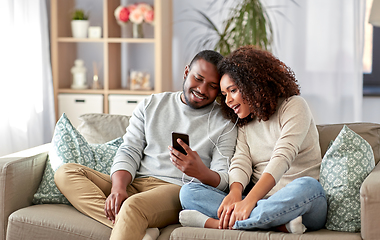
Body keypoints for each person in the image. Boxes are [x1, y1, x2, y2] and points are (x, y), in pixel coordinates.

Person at [54, 50, 237, 240]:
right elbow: (129, 150)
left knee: (132, 207)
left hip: (175, 190)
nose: (202, 89)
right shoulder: (152, 104)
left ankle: (134, 221)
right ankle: (138, 227)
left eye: (212, 86)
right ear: (186, 72)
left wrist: (200, 172)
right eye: (198, 78)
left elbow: (225, 179)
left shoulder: (225, 122)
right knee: (66, 173)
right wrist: (118, 188)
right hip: (136, 182)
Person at [179, 45, 327, 234]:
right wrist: (235, 193)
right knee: (188, 192)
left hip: (301, 201)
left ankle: (214, 223)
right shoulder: (244, 121)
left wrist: (248, 201)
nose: (228, 101)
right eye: (224, 95)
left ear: (252, 84)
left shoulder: (294, 106)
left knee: (308, 186)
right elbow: (241, 161)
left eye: (232, 91)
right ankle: (276, 224)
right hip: (263, 204)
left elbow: (282, 158)